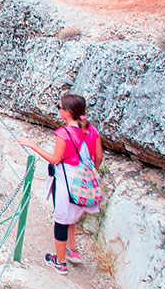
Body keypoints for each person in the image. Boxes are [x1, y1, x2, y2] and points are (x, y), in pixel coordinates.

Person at [17, 94, 102, 275]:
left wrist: (34, 146)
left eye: (59, 107)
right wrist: (88, 173)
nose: (58, 110)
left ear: (68, 112)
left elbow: (55, 159)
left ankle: (60, 262)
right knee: (73, 215)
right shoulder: (91, 130)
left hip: (66, 180)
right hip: (84, 179)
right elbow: (99, 157)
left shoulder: (64, 133)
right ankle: (73, 249)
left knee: (61, 219)